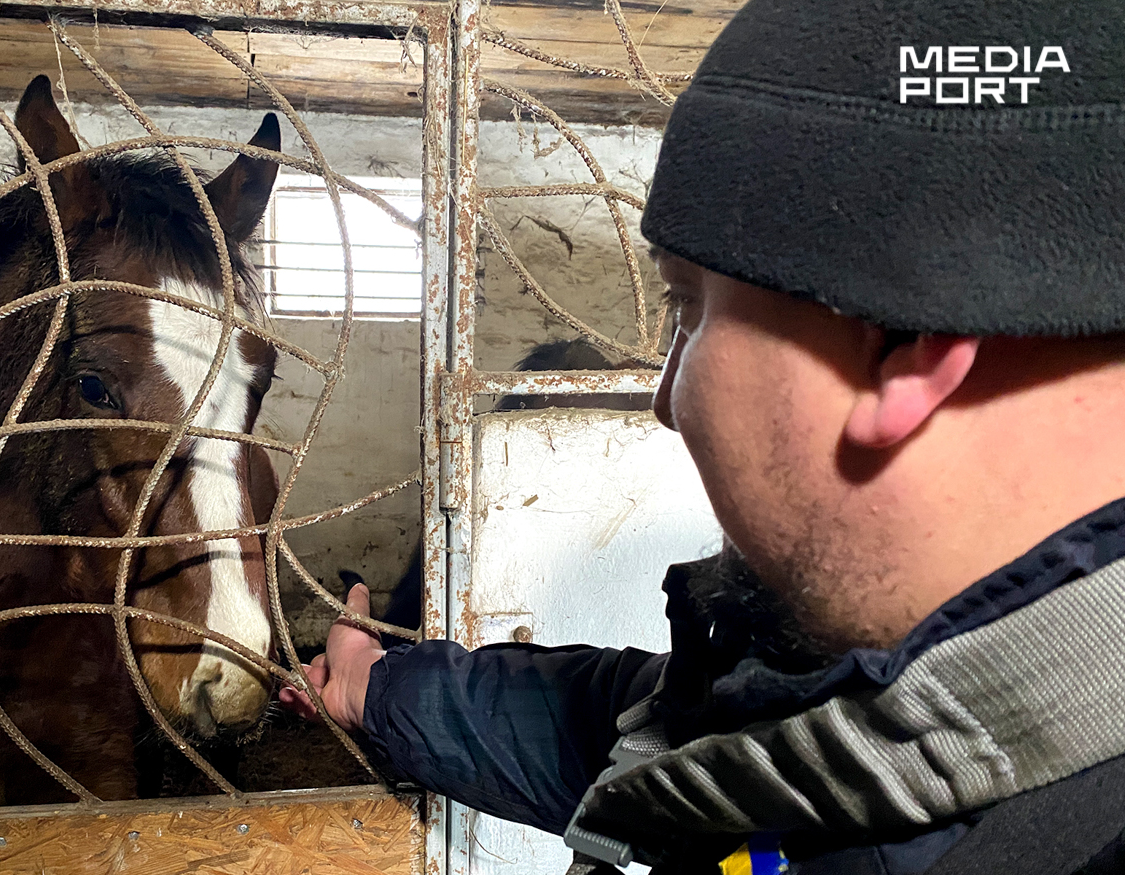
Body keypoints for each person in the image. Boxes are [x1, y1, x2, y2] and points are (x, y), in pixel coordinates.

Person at [282, 0, 1125, 871]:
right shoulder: (876, 704)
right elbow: (658, 739)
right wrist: (378, 684)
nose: (664, 397)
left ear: (899, 348)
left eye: (685, 305)